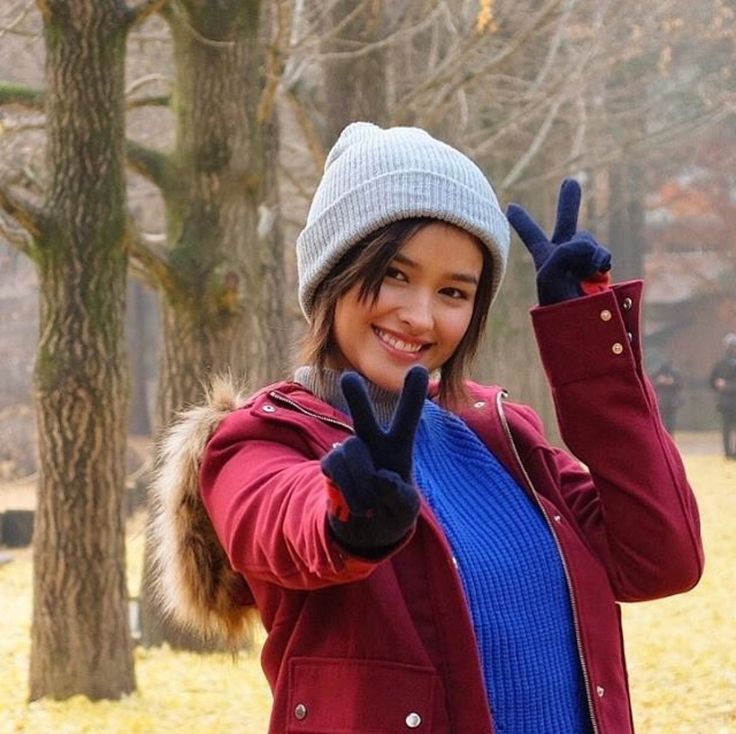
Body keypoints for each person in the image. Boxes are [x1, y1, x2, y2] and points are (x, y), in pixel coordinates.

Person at [151, 123, 703, 734]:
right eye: (394, 274)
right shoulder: (260, 439)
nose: (419, 316)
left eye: (453, 291)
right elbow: (279, 523)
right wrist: (350, 516)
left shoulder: (502, 436)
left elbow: (662, 559)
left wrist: (590, 346)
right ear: (334, 272)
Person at [709, 333, 736, 459]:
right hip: (726, 402)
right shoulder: (720, 363)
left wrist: (727, 386)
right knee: (726, 428)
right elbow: (712, 381)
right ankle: (728, 452)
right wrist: (717, 384)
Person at [651, 359, 684, 435]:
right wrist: (659, 381)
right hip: (660, 401)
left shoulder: (675, 373)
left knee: (670, 423)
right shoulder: (657, 373)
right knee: (661, 422)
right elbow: (651, 383)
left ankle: (670, 437)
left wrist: (671, 382)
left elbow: (680, 384)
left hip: (672, 401)